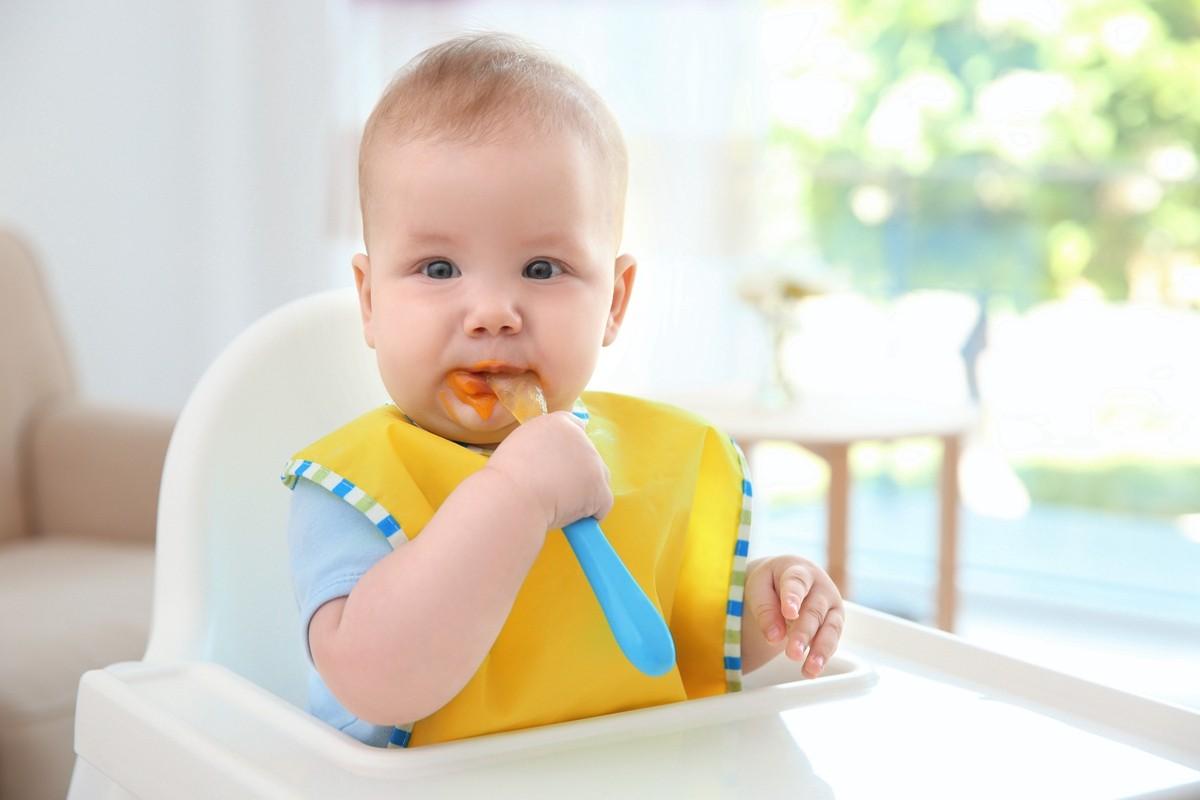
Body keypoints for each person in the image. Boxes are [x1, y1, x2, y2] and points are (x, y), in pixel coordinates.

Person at [283, 32, 844, 749]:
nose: (492, 312)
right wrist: (516, 494)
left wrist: (763, 608)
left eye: (542, 269)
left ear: (615, 301)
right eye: (438, 267)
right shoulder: (351, 486)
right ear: (369, 300)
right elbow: (378, 680)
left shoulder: (655, 455)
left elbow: (669, 641)